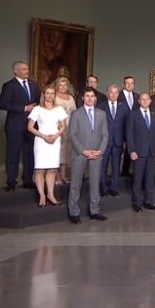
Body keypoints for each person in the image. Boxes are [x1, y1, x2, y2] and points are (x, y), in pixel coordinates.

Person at [67, 87, 109, 223]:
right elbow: (72, 135)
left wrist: (100, 151)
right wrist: (83, 151)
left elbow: (105, 135)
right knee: (76, 184)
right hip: (80, 154)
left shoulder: (101, 114)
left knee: (95, 183)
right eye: (87, 96)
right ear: (83, 98)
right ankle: (74, 212)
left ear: (95, 98)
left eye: (92, 96)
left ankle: (95, 211)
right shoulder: (76, 114)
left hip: (97, 154)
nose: (90, 98)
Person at [0, 61, 41, 191]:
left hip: (31, 125)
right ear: (15, 71)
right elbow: (3, 104)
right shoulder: (9, 85)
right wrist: (24, 108)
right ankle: (11, 182)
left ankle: (28, 180)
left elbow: (39, 103)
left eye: (27, 69)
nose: (26, 71)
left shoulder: (34, 86)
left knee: (29, 154)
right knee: (13, 154)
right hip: (14, 126)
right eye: (23, 69)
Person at [27, 85, 69, 207]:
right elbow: (30, 127)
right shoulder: (37, 109)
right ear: (43, 95)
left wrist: (56, 135)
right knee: (40, 169)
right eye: (47, 93)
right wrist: (44, 136)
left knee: (52, 169)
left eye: (52, 93)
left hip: (55, 141)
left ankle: (51, 194)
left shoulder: (59, 109)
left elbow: (63, 126)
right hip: (41, 141)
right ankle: (42, 196)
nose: (50, 96)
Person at [126, 92, 155, 212]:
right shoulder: (133, 115)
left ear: (150, 101)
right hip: (138, 152)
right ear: (139, 101)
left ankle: (149, 201)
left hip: (153, 151)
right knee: (137, 178)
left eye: (147, 99)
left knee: (150, 178)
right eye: (142, 99)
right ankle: (137, 203)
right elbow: (129, 134)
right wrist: (131, 150)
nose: (145, 101)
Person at [99, 84, 126, 197]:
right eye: (111, 92)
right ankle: (103, 188)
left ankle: (114, 188)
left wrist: (125, 141)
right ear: (107, 93)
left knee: (116, 166)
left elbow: (126, 125)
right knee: (103, 166)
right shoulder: (101, 106)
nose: (114, 95)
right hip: (104, 142)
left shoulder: (123, 107)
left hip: (118, 141)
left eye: (116, 93)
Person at [53, 76, 76, 184]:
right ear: (57, 86)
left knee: (67, 152)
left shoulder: (70, 97)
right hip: (57, 127)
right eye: (60, 85)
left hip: (70, 126)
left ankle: (63, 175)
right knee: (57, 151)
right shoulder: (53, 96)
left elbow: (74, 112)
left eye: (65, 85)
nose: (62, 87)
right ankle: (56, 176)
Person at [118, 76, 138, 177]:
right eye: (127, 83)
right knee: (118, 151)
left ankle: (125, 171)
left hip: (133, 128)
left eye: (132, 83)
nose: (129, 85)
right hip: (120, 127)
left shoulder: (137, 97)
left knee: (130, 149)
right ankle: (116, 173)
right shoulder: (118, 95)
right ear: (124, 84)